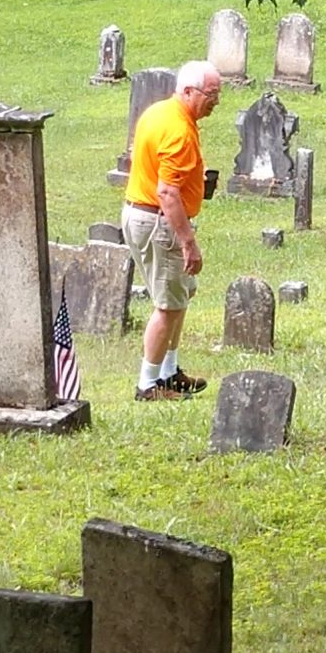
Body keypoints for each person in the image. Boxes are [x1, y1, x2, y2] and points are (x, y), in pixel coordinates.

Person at [122, 58, 222, 401]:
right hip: (159, 222)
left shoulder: (161, 112)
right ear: (189, 91)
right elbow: (167, 192)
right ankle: (148, 384)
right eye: (211, 93)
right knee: (167, 305)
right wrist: (188, 241)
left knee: (180, 296)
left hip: (144, 214)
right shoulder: (178, 129)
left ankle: (169, 373)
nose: (217, 101)